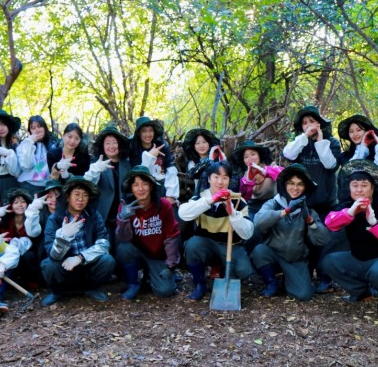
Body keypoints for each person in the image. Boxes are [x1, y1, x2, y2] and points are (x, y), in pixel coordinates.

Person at [322, 160, 378, 314]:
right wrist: (350, 212)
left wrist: (374, 222)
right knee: (329, 261)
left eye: (364, 185)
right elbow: (330, 222)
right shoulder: (347, 205)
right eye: (355, 185)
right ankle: (361, 292)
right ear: (349, 188)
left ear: (373, 188)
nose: (359, 189)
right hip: (358, 259)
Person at [282, 105, 341, 292]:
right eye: (304, 123)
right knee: (303, 239)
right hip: (303, 201)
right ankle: (305, 275)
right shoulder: (300, 143)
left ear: (320, 123)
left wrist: (320, 141)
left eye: (312, 122)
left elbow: (330, 164)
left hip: (326, 201)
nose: (309, 126)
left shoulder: (332, 143)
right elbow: (288, 154)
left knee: (324, 240)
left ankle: (325, 279)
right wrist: (305, 137)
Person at [179, 161, 254, 301]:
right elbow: (183, 214)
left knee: (244, 270)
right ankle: (199, 284)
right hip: (206, 245)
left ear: (229, 180)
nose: (220, 182)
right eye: (216, 177)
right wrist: (210, 201)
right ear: (209, 178)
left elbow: (248, 233)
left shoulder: (239, 200)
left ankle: (224, 275)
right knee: (192, 245)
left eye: (225, 178)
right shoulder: (201, 198)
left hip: (231, 246)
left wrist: (232, 213)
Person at [252, 165, 329, 300]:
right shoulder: (273, 203)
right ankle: (271, 283)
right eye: (291, 183)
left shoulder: (309, 210)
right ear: (284, 185)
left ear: (305, 187)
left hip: (295, 259)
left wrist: (309, 220)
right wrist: (285, 211)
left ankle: (289, 279)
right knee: (259, 251)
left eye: (300, 184)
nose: (295, 188)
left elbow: (322, 240)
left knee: (304, 295)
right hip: (272, 254)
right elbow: (258, 223)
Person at [40, 177, 116, 306]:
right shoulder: (55, 219)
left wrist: (81, 257)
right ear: (68, 197)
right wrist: (64, 237)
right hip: (64, 265)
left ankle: (91, 288)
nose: (80, 199)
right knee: (48, 264)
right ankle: (56, 292)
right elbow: (52, 253)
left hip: (86, 263)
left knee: (107, 261)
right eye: (76, 194)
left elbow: (103, 244)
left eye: (85, 195)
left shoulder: (94, 216)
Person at [115, 165, 181, 300]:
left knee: (165, 291)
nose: (140, 189)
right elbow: (123, 238)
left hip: (158, 255)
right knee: (123, 249)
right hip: (137, 251)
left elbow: (171, 235)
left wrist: (171, 265)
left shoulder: (163, 205)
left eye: (145, 184)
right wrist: (123, 219)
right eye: (136, 185)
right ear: (131, 188)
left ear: (151, 186)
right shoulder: (125, 206)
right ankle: (133, 283)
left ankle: (152, 276)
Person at [84, 125, 132, 246]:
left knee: (123, 248)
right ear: (102, 146)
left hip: (123, 216)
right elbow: (88, 184)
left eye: (114, 142)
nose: (111, 146)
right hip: (103, 217)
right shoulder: (97, 165)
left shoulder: (127, 165)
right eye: (107, 143)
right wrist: (96, 169)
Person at [0, 188, 43, 288]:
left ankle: (28, 280)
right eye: (16, 202)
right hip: (7, 252)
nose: (19, 205)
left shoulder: (32, 217)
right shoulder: (5, 220)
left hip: (26, 253)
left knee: (29, 256)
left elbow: (34, 235)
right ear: (11, 205)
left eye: (23, 202)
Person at [337, 115, 378, 201]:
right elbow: (348, 173)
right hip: (350, 202)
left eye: (359, 130)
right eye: (351, 131)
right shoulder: (345, 157)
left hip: (375, 201)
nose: (355, 134)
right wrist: (363, 147)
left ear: (367, 131)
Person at [128, 116, 179, 205]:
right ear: (139, 133)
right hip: (145, 189)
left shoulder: (162, 145)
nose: (148, 134)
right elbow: (137, 173)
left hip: (164, 187)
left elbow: (170, 168)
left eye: (150, 130)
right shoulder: (134, 149)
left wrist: (171, 196)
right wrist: (149, 156)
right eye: (144, 131)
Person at [17, 115, 55, 196]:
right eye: (33, 128)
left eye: (39, 126)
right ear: (29, 131)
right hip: (27, 185)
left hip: (47, 187)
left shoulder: (53, 145)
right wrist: (30, 143)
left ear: (44, 127)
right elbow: (26, 166)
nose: (37, 130)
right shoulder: (24, 144)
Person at [182, 128, 225, 192]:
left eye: (204, 142)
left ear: (209, 143)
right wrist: (209, 160)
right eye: (197, 143)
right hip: (201, 195)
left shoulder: (218, 158)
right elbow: (194, 174)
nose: (201, 146)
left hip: (219, 192)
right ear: (194, 146)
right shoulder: (192, 162)